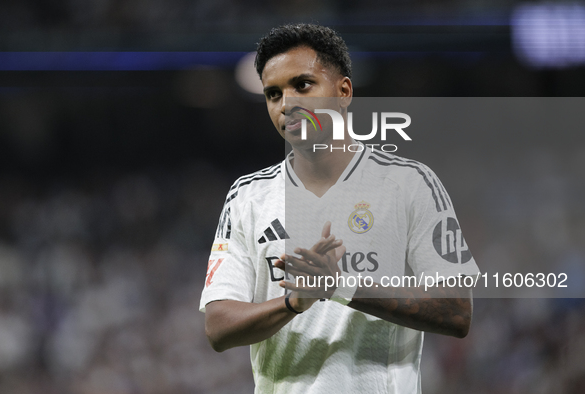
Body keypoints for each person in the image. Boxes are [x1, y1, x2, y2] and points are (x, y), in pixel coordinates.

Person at [200, 23, 480, 393]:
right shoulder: (248, 197)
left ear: (343, 91)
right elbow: (218, 327)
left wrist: (340, 285)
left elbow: (457, 312)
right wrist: (293, 302)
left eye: (302, 85)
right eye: (273, 94)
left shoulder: (410, 185)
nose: (286, 105)